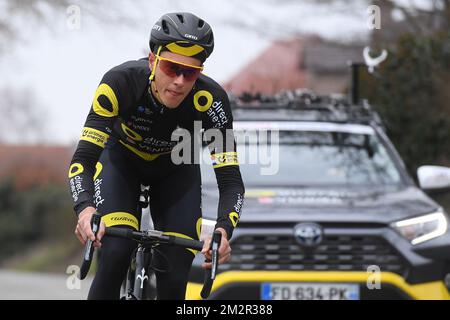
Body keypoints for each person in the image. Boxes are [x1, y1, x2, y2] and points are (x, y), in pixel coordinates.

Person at [68, 12, 245, 299]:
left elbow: (231, 182)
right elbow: (84, 159)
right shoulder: (119, 83)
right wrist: (86, 209)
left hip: (175, 169)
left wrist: (224, 230)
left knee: (176, 269)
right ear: (153, 60)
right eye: (171, 67)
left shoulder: (211, 102)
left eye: (190, 72)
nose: (179, 80)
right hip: (121, 164)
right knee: (115, 252)